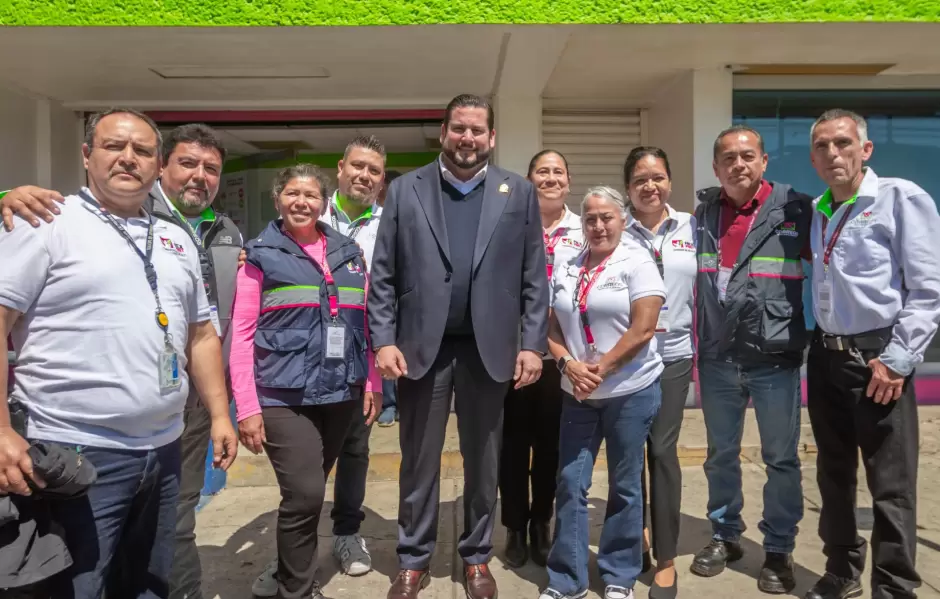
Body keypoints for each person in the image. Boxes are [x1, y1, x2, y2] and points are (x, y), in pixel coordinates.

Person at [0, 108, 238, 598]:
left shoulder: (175, 238)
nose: (129, 159)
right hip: (78, 453)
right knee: (79, 586)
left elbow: (200, 334)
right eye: (114, 146)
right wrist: (0, 430)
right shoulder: (45, 221)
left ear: (156, 167)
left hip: (164, 451)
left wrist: (219, 414)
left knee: (148, 582)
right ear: (87, 155)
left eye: (143, 151)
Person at [369, 94, 549, 599]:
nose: (467, 138)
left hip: (487, 351)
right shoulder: (405, 191)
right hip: (420, 351)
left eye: (477, 130)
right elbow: (383, 273)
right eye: (459, 129)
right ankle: (413, 558)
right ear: (443, 133)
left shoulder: (520, 193)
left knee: (484, 460)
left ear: (491, 137)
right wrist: (383, 339)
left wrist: (532, 345)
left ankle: (476, 557)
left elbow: (535, 276)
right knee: (418, 460)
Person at [804, 109, 940, 599]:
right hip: (825, 358)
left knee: (891, 483)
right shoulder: (820, 209)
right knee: (833, 474)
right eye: (822, 146)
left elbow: (928, 290)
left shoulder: (899, 198)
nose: (832, 153)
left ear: (865, 150)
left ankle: (895, 585)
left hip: (878, 359)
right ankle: (842, 570)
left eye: (843, 143)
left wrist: (899, 359)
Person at [231, 164, 382, 599]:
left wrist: (371, 382)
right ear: (278, 199)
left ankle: (285, 570)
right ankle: (297, 589)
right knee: (306, 493)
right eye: (293, 193)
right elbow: (241, 336)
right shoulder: (259, 254)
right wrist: (247, 406)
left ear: (324, 201)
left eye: (311, 195)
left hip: (340, 392)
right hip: (282, 395)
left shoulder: (347, 251)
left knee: (306, 497)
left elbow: (365, 324)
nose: (302, 202)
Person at [691, 125, 813, 595]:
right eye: (728, 158)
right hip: (718, 357)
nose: (737, 165)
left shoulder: (796, 210)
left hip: (774, 357)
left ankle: (779, 547)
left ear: (763, 161)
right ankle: (726, 535)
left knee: (780, 458)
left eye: (747, 156)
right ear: (717, 167)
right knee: (721, 455)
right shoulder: (704, 214)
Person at [539, 186, 665, 599]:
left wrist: (602, 368)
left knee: (625, 485)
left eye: (606, 217)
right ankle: (567, 580)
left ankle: (618, 575)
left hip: (630, 390)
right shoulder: (568, 262)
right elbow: (553, 326)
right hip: (576, 390)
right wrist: (568, 365)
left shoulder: (638, 261)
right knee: (570, 482)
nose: (598, 226)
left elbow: (643, 329)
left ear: (622, 220)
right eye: (590, 218)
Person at [500, 149, 582, 569]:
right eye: (542, 171)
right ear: (529, 180)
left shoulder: (584, 230)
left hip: (562, 357)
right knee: (511, 444)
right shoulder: (511, 223)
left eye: (558, 172)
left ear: (568, 181)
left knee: (551, 446)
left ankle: (541, 523)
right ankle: (514, 526)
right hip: (513, 353)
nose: (551, 178)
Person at [622, 147, 696, 599]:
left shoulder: (693, 225)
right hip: (628, 356)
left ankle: (666, 554)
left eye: (658, 177)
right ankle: (637, 536)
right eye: (640, 179)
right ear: (628, 187)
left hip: (674, 355)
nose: (650, 186)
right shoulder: (615, 228)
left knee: (663, 452)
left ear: (669, 181)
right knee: (629, 454)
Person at [376, 169, 403, 427]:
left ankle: (402, 404)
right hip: (380, 294)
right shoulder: (372, 218)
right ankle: (388, 403)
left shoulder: (409, 217)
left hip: (406, 296)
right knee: (384, 347)